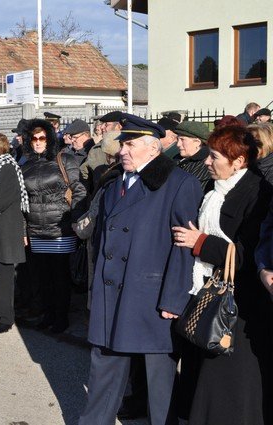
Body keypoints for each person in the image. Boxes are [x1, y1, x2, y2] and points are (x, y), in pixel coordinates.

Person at [78, 115, 203, 425]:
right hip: (112, 291)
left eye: (130, 145)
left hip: (152, 294)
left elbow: (184, 246)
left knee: (159, 378)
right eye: (122, 144)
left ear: (153, 148)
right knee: (105, 367)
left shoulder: (179, 183)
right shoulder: (114, 183)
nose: (122, 151)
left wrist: (174, 299)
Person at [176, 125, 272, 425]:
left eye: (214, 156)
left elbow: (247, 254)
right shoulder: (214, 188)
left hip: (240, 306)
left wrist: (200, 243)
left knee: (230, 383)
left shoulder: (258, 193)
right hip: (208, 293)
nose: (207, 161)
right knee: (203, 374)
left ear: (238, 161)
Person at [21, 119, 87, 333]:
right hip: (36, 228)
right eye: (33, 138)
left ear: (49, 139)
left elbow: (78, 190)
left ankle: (61, 318)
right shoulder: (26, 165)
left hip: (60, 227)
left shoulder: (64, 159)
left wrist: (75, 218)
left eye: (42, 137)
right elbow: (22, 200)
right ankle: (48, 315)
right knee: (42, 277)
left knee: (60, 277)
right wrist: (23, 229)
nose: (38, 142)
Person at [0, 131, 29, 334]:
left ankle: (6, 318)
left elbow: (1, 199)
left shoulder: (7, 168)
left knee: (4, 277)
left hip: (6, 230)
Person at [174, 121, 213, 192]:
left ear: (197, 142)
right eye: (177, 139)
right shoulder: (177, 159)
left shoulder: (205, 165)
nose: (178, 144)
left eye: (182, 139)